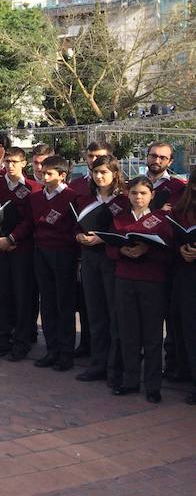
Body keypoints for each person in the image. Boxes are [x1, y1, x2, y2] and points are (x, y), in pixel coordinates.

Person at [107, 176, 173, 404]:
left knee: (152, 336)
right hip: (124, 279)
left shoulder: (161, 220)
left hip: (152, 282)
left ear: (152, 195)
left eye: (143, 193)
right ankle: (130, 381)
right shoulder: (119, 219)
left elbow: (168, 253)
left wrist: (147, 250)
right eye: (134, 193)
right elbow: (109, 249)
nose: (138, 197)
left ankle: (153, 386)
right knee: (128, 333)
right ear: (128, 194)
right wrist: (122, 252)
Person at [0, 146, 42, 361]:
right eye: (7, 162)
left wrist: (12, 239)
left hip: (21, 249)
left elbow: (31, 220)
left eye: (15, 162)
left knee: (23, 296)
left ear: (24, 163)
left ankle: (21, 342)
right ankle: (0, 339)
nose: (10, 166)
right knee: (0, 295)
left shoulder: (33, 188)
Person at [74, 155, 127, 385]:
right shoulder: (84, 199)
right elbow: (74, 227)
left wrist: (103, 239)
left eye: (104, 172)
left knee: (114, 315)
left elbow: (128, 232)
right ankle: (97, 364)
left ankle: (116, 368)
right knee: (95, 314)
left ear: (115, 173)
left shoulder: (124, 200)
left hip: (112, 260)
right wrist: (78, 236)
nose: (99, 176)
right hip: (89, 260)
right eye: (96, 172)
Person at [29, 156, 80, 372]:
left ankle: (66, 353)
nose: (43, 175)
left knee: (64, 303)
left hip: (63, 253)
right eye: (42, 171)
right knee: (47, 302)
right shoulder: (36, 197)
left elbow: (74, 226)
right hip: (41, 252)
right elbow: (34, 223)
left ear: (62, 175)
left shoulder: (72, 197)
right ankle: (52, 350)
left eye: (50, 173)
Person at [144, 142, 188, 383]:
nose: (157, 161)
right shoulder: (135, 185)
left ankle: (173, 364)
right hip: (141, 260)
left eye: (162, 157)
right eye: (153, 156)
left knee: (173, 316)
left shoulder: (179, 188)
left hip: (170, 260)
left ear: (170, 161)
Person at [171, 167, 196, 404]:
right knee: (189, 328)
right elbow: (174, 236)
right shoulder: (183, 208)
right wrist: (181, 249)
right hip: (187, 275)